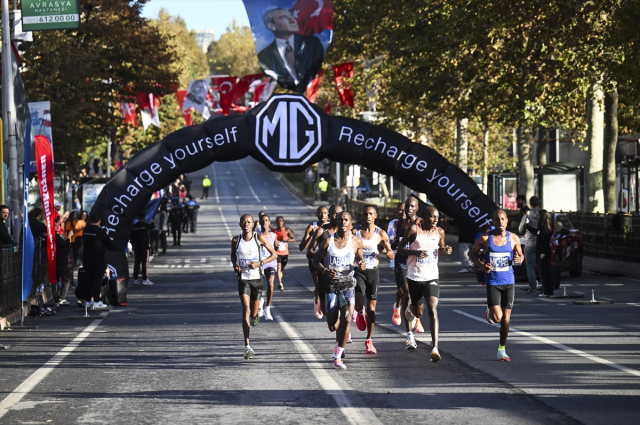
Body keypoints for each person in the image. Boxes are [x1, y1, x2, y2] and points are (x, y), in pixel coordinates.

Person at [398, 207, 452, 360]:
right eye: (432, 216)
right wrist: (415, 253)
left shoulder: (439, 232)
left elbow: (440, 249)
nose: (435, 219)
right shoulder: (414, 230)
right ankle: (411, 311)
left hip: (431, 276)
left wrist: (445, 250)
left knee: (432, 309)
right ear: (423, 217)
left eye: (437, 217)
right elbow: (400, 249)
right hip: (414, 277)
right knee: (419, 312)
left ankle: (435, 348)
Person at [313, 211, 366, 370]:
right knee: (332, 325)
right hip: (330, 286)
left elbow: (359, 259)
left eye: (346, 220)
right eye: (340, 219)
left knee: (347, 318)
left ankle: (338, 356)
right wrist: (324, 271)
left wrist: (362, 263)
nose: (343, 222)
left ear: (351, 224)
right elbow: (315, 261)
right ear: (336, 222)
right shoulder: (328, 241)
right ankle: (338, 341)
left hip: (348, 284)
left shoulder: (356, 241)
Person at [469, 209, 524, 362]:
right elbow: (471, 254)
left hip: (509, 281)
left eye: (502, 219)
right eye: (497, 220)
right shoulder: (485, 238)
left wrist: (520, 259)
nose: (500, 222)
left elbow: (520, 255)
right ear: (492, 222)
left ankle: (502, 349)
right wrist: (481, 265)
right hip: (493, 282)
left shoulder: (513, 238)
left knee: (506, 319)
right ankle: (490, 311)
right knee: (498, 317)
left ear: (507, 221)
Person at [231, 214, 278, 360]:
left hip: (257, 279)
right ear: (240, 224)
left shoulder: (259, 238)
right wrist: (235, 265)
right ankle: (247, 345)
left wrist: (260, 263)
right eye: (243, 222)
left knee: (252, 314)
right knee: (246, 309)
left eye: (249, 222)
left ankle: (256, 314)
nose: (246, 224)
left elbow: (274, 254)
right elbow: (233, 255)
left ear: (253, 225)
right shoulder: (235, 240)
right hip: (244, 279)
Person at [352, 205, 394, 354]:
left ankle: (369, 340)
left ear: (375, 215)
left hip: (373, 273)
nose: (368, 216)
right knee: (358, 305)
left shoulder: (381, 233)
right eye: (365, 214)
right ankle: (359, 313)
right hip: (359, 272)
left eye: (371, 214)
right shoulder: (355, 233)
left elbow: (392, 255)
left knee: (372, 309)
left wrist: (385, 251)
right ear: (362, 216)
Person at [257, 7, 325, 92]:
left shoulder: (312, 44)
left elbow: (315, 69)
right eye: (284, 18)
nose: (292, 20)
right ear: (271, 26)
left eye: (292, 16)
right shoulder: (264, 56)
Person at [390, 197, 425, 341]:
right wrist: (395, 244)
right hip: (401, 263)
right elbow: (391, 246)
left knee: (416, 297)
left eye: (412, 206)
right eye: (407, 207)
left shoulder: (422, 223)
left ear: (417, 208)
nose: (409, 209)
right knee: (407, 295)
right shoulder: (397, 225)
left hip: (417, 264)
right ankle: (409, 333)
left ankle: (414, 316)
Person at [306, 205, 342, 320]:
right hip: (324, 272)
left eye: (339, 214)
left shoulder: (347, 232)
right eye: (333, 214)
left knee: (344, 306)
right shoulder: (322, 231)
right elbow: (309, 252)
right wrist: (322, 255)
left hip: (341, 273)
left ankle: (344, 331)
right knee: (327, 311)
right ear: (329, 216)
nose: (336, 216)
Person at [299, 206, 329, 318]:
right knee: (319, 286)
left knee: (328, 286)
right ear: (317, 214)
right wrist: (311, 236)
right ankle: (317, 300)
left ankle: (328, 306)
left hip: (327, 261)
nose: (323, 215)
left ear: (328, 215)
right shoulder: (312, 227)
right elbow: (302, 248)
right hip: (314, 260)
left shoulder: (331, 227)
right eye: (320, 213)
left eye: (325, 213)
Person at [81, 212, 111, 308]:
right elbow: (109, 242)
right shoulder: (100, 231)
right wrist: (106, 234)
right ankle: (97, 301)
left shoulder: (85, 230)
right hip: (98, 259)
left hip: (87, 259)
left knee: (88, 280)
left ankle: (88, 301)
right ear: (99, 221)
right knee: (97, 281)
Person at [258, 214, 279, 321]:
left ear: (269, 223)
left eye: (266, 220)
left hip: (271, 263)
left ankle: (267, 308)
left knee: (271, 283)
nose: (264, 222)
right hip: (260, 263)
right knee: (259, 287)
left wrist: (277, 246)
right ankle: (260, 302)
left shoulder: (273, 235)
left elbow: (276, 249)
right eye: (262, 220)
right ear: (260, 223)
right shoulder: (257, 235)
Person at [519, 196, 541, 294]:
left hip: (529, 243)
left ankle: (533, 287)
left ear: (530, 204)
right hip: (541, 243)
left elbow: (520, 230)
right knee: (541, 266)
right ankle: (545, 285)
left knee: (530, 266)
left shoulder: (526, 216)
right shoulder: (543, 215)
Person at [131, 212, 155, 285]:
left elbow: (131, 238)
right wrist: (152, 221)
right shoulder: (145, 226)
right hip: (144, 246)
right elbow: (152, 227)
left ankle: (135, 279)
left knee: (136, 263)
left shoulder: (134, 226)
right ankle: (145, 279)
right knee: (144, 263)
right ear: (144, 218)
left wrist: (133, 245)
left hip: (136, 247)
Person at [274, 216, 296, 291]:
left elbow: (294, 239)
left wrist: (287, 239)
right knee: (278, 268)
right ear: (276, 222)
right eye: (278, 221)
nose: (279, 222)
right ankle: (280, 283)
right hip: (277, 253)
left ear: (283, 222)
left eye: (281, 221)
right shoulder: (274, 231)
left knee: (282, 268)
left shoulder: (286, 230)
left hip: (285, 253)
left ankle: (280, 273)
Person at [54, 218, 73, 305]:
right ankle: (61, 297)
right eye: (55, 225)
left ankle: (57, 297)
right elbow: (64, 245)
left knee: (57, 279)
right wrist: (69, 237)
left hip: (58, 260)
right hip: (60, 261)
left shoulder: (54, 236)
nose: (57, 227)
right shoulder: (55, 236)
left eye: (59, 225)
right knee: (67, 279)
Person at [536, 210, 554, 297]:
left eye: (539, 216)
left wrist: (543, 252)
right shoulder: (543, 227)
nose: (538, 217)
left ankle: (547, 290)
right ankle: (547, 289)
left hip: (544, 253)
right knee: (545, 272)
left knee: (545, 272)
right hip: (544, 252)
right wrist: (527, 225)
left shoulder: (543, 228)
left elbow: (544, 241)